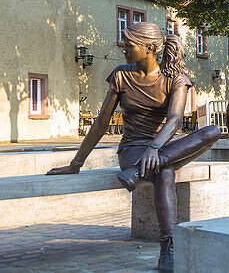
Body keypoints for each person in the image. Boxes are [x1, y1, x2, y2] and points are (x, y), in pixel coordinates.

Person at [47, 22, 220, 272]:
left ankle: (138, 173)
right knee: (165, 170)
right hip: (133, 149)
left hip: (163, 147)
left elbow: (174, 120)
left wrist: (155, 148)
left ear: (149, 48)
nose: (124, 50)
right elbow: (101, 123)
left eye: (129, 46)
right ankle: (167, 249)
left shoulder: (176, 80)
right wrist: (76, 164)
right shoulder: (121, 75)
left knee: (212, 132)